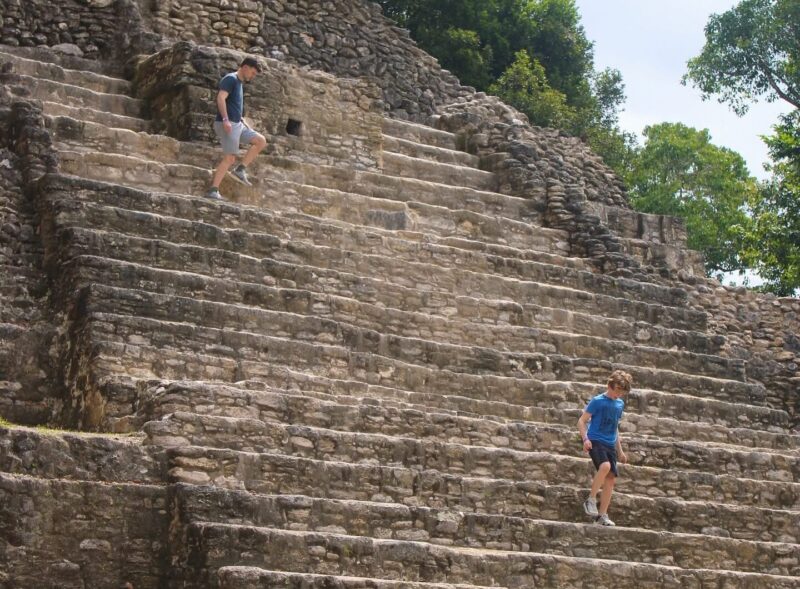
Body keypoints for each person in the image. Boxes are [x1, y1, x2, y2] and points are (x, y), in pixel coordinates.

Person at [206, 56, 268, 200]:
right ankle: (213, 190)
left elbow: (233, 104)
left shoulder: (239, 83)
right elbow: (221, 98)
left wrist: (241, 120)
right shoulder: (231, 79)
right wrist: (226, 120)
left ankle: (240, 170)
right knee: (229, 158)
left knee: (260, 141)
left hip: (237, 124)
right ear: (245, 67)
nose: (253, 76)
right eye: (253, 73)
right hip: (227, 124)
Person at [577, 370, 632, 526]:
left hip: (609, 444)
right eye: (617, 391)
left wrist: (620, 451)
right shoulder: (597, 401)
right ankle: (591, 500)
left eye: (621, 393)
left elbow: (615, 428)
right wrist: (585, 439)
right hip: (595, 440)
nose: (618, 395)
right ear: (609, 386)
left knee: (611, 478)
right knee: (605, 466)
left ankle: (602, 516)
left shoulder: (619, 404)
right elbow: (581, 421)